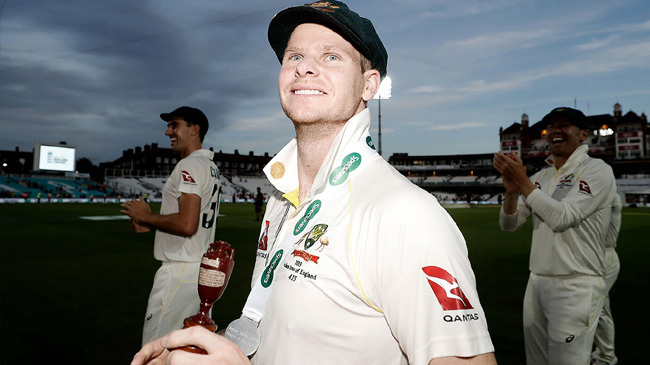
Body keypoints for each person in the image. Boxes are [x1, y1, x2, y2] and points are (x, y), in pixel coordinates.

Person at [132, 2, 495, 364]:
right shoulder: (281, 198)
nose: (305, 67)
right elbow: (274, 333)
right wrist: (212, 349)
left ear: (369, 85)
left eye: (332, 56)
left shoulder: (406, 214)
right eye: (294, 56)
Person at [493, 106, 618, 365]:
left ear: (583, 134)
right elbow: (509, 225)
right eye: (551, 126)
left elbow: (562, 218)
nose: (555, 130)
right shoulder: (542, 177)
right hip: (537, 281)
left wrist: (522, 182)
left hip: (576, 283)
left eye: (564, 125)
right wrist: (512, 192)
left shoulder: (597, 170)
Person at [121, 106, 222, 345]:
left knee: (156, 350)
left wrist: (145, 216)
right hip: (198, 271)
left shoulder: (188, 166)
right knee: (187, 350)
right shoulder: (210, 166)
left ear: (194, 130)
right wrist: (155, 224)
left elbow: (187, 225)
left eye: (174, 125)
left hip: (179, 271)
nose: (168, 132)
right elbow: (189, 220)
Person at [591, 192, 621, 365]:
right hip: (595, 257)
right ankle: (603, 353)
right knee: (600, 307)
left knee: (598, 307)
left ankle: (606, 356)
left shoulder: (609, 195)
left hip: (605, 258)